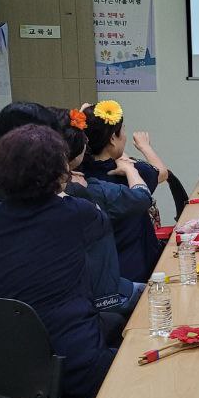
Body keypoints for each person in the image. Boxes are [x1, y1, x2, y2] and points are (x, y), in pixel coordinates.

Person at [0, 125, 118, 398]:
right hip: (71, 371)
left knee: (111, 322)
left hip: (5, 372)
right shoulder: (76, 213)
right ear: (60, 174)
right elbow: (100, 224)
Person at [57, 109, 150, 318]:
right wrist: (129, 168)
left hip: (73, 298)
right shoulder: (86, 191)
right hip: (104, 296)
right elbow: (145, 194)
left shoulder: (0, 207)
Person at [80, 100, 168, 282]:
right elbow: (162, 172)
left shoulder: (76, 174)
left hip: (94, 275)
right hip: (135, 270)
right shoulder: (132, 175)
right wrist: (145, 146)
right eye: (123, 131)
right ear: (112, 138)